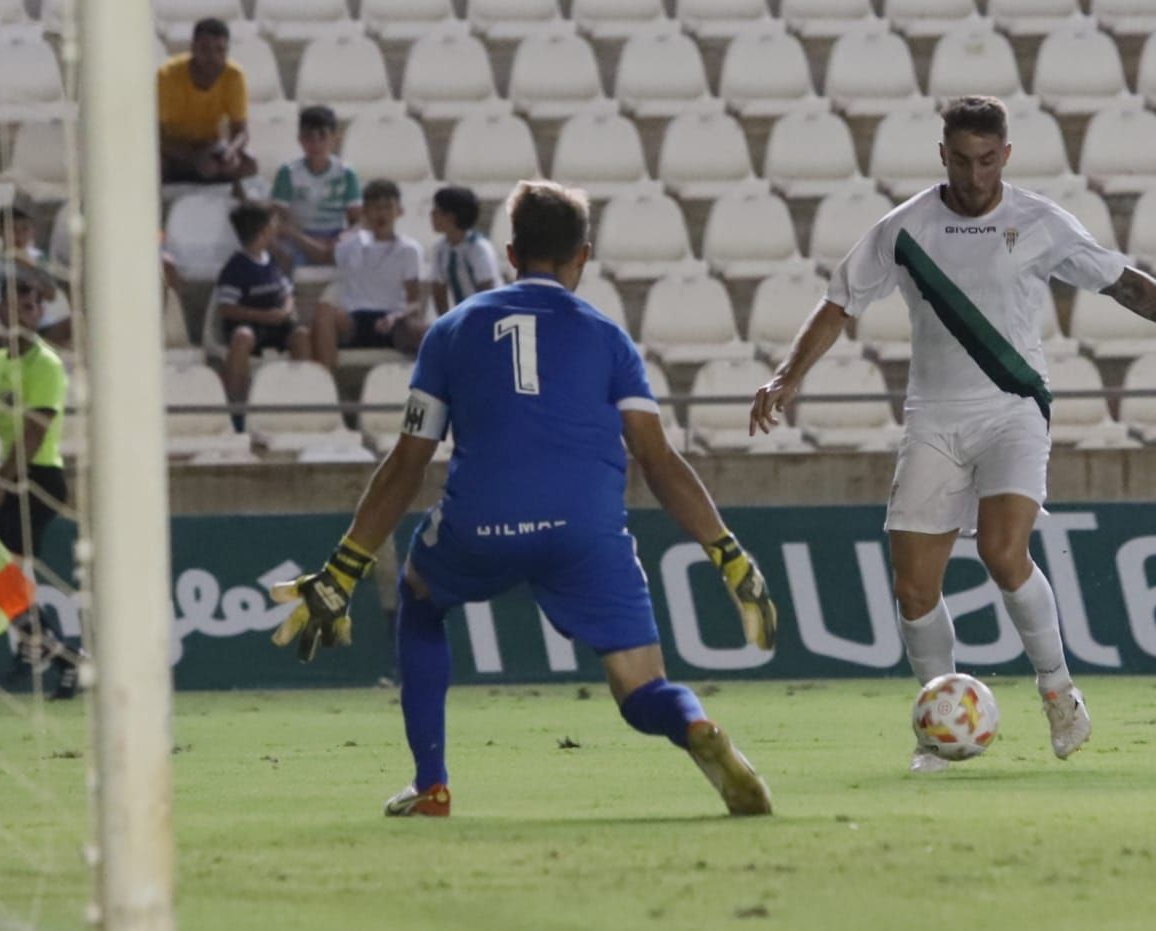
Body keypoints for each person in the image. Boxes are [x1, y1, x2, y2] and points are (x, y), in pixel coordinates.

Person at [749, 96, 1156, 773]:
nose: (975, 176)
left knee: (1002, 550)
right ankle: (939, 729)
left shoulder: (1040, 223)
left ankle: (1057, 690)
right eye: (962, 161)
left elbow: (1125, 286)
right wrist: (787, 375)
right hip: (933, 418)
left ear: (1006, 155)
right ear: (943, 156)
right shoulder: (903, 230)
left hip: (1013, 409)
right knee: (913, 589)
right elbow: (838, 302)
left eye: (988, 160)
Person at [270, 180, 777, 818]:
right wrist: (728, 554)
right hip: (586, 531)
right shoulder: (610, 339)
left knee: (422, 601)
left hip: (479, 523)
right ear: (582, 257)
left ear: (511, 253)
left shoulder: (450, 332)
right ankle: (695, 726)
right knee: (642, 686)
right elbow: (658, 458)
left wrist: (346, 566)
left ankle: (431, 784)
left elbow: (406, 463)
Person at [0, 282, 78, 700]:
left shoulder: (46, 365)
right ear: (1, 310)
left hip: (37, 479)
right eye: (15, 306)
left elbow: (34, 433)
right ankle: (58, 654)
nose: (23, 314)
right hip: (10, 477)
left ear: (39, 313)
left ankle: (50, 650)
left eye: (31, 307)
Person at [310, 179, 424, 369]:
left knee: (429, 333)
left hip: (392, 320)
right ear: (366, 212)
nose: (382, 214)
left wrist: (394, 317)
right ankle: (328, 384)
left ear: (399, 211)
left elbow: (415, 302)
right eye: (375, 208)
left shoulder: (409, 249)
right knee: (324, 311)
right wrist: (359, 225)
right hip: (355, 320)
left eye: (388, 207)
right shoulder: (351, 245)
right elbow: (326, 253)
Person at [215, 203, 311, 406]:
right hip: (250, 325)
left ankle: (304, 397)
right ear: (264, 230)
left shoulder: (272, 261)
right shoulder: (235, 267)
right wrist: (263, 316)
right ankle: (235, 405)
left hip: (277, 325)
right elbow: (226, 308)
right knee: (243, 338)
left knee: (301, 335)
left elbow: (288, 293)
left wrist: (285, 310)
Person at [157, 18, 256, 184]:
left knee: (250, 165)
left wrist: (231, 151)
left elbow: (241, 131)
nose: (213, 57)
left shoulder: (234, 76)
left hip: (210, 146)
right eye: (205, 49)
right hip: (175, 148)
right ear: (193, 48)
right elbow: (154, 135)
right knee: (157, 166)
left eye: (220, 50)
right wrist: (194, 157)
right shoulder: (168, 76)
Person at [270, 105, 362, 271]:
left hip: (335, 236)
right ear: (300, 139)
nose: (315, 143)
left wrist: (341, 239)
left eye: (322, 136)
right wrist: (302, 239)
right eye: (308, 137)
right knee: (280, 254)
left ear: (334, 138)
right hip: (299, 236)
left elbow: (357, 220)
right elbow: (278, 217)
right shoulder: (288, 173)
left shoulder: (346, 173)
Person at [0, 205, 71, 349]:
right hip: (3, 331)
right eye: (12, 230)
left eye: (25, 229)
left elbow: (51, 295)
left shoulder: (39, 259)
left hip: (37, 328)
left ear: (32, 232)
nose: (18, 236)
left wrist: (33, 271)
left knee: (72, 325)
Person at [428, 185, 503, 315]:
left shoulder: (478, 248)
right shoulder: (441, 249)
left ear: (451, 217)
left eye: (437, 210)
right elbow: (438, 290)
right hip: (464, 315)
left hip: (489, 315)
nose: (432, 214)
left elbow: (487, 289)